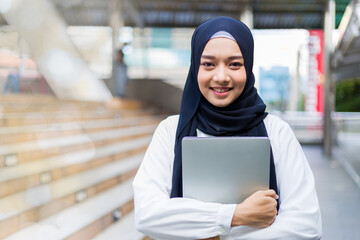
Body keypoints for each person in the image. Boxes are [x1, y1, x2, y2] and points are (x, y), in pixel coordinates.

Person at [133, 16, 322, 239]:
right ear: (195, 68)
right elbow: (147, 214)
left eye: (234, 64)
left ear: (248, 66)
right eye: (208, 64)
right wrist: (235, 216)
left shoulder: (276, 132)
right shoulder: (170, 131)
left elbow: (307, 225)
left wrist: (212, 235)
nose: (221, 76)